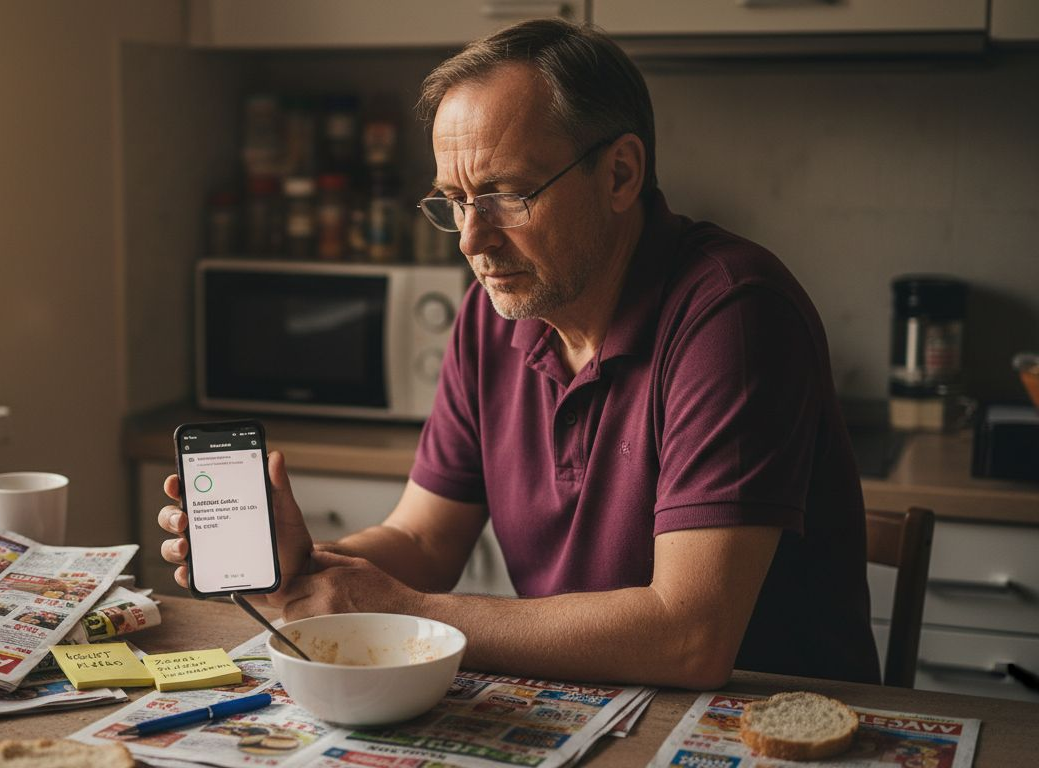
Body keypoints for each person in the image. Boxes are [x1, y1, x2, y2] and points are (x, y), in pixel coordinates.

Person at [159, 19, 880, 689]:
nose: (472, 241)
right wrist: (305, 568)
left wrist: (406, 607)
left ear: (621, 174)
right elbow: (424, 537)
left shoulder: (732, 312)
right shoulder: (493, 315)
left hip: (766, 723)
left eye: (505, 194)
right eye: (454, 202)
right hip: (598, 708)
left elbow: (690, 636)